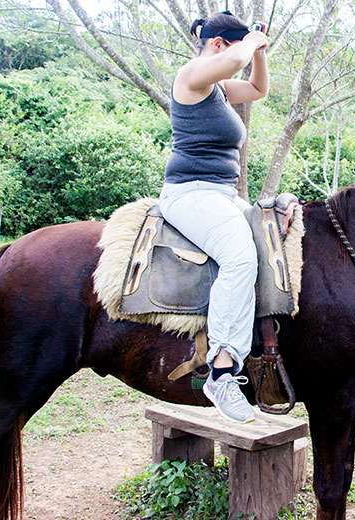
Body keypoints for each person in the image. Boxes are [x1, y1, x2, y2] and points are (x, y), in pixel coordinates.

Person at [158, 11, 269, 424]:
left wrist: (260, 49)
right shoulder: (192, 75)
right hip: (192, 193)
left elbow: (258, 88)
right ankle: (222, 372)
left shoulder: (220, 88)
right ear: (219, 45)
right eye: (235, 46)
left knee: (275, 232)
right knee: (240, 258)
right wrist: (250, 44)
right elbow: (234, 62)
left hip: (222, 194)